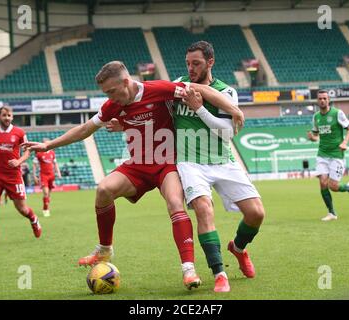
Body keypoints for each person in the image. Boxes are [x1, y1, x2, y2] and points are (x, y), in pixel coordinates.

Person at [22, 60, 244, 290]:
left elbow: (201, 89)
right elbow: (85, 129)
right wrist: (48, 145)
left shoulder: (157, 89)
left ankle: (188, 269)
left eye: (111, 91)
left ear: (126, 82)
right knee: (104, 190)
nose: (109, 96)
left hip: (167, 164)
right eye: (105, 92)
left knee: (175, 203)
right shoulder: (113, 105)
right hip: (137, 165)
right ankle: (105, 249)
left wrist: (233, 109)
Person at [108, 42, 265, 293]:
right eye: (188, 63)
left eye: (197, 64)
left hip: (222, 160)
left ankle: (237, 248)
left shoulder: (227, 91)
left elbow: (226, 133)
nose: (191, 69)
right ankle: (219, 273)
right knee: (204, 208)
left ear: (210, 62)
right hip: (190, 163)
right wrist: (126, 123)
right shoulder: (177, 87)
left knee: (256, 213)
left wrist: (199, 108)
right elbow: (153, 114)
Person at [0, 106, 42, 247]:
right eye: (4, 115)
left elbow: (27, 151)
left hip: (14, 176)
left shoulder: (19, 133)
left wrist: (18, 161)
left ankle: (33, 219)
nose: (7, 118)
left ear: (12, 117)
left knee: (22, 209)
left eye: (9, 115)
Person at [307, 90, 349, 221]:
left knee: (333, 186)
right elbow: (315, 136)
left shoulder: (337, 113)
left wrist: (345, 142)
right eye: (320, 99)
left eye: (325, 98)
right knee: (323, 183)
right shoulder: (316, 117)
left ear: (328, 100)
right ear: (317, 101)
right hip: (322, 154)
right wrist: (311, 138)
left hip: (336, 154)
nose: (322, 100)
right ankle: (331, 213)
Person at [33, 138, 62, 217]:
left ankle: (46, 205)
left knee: (48, 194)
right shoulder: (39, 153)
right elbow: (34, 165)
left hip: (51, 175)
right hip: (43, 175)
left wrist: (58, 173)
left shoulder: (52, 153)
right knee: (45, 193)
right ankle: (45, 209)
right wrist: (34, 175)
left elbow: (55, 164)